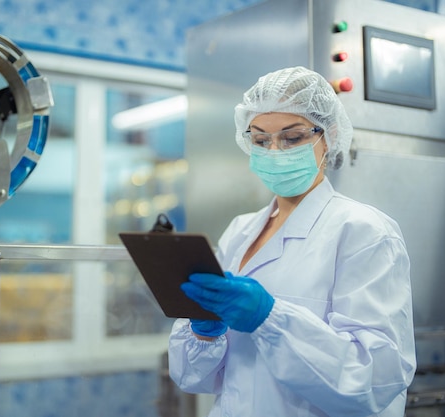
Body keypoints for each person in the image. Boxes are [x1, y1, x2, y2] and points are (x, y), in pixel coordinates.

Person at [168, 66, 416, 416]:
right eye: (260, 139)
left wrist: (268, 318)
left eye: (292, 137)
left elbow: (375, 379)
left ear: (327, 136)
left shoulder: (365, 231)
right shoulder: (240, 230)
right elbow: (194, 378)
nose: (274, 151)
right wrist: (204, 333)